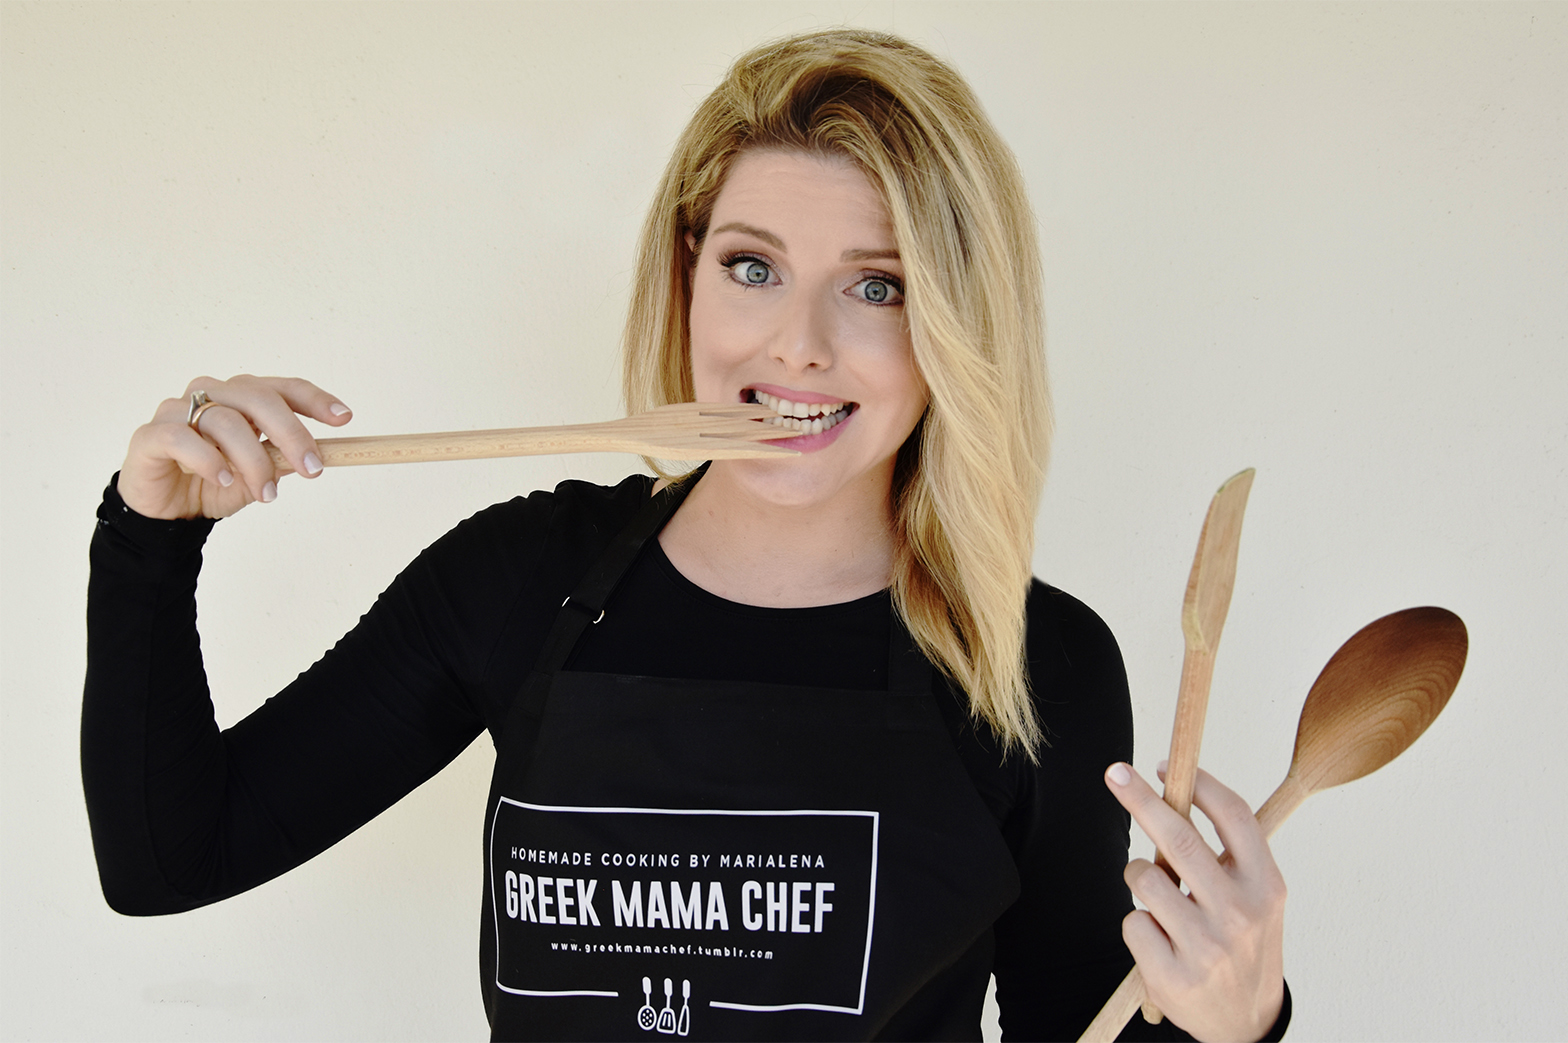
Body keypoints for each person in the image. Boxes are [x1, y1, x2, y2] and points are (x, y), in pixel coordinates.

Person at [84, 28, 1289, 1042]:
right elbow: (170, 860)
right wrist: (149, 535)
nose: (798, 343)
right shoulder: (519, 579)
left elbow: (1081, 1026)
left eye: (877, 285)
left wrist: (1234, 1018)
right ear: (688, 275)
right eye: (753, 267)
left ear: (959, 325)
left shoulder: (1034, 662)